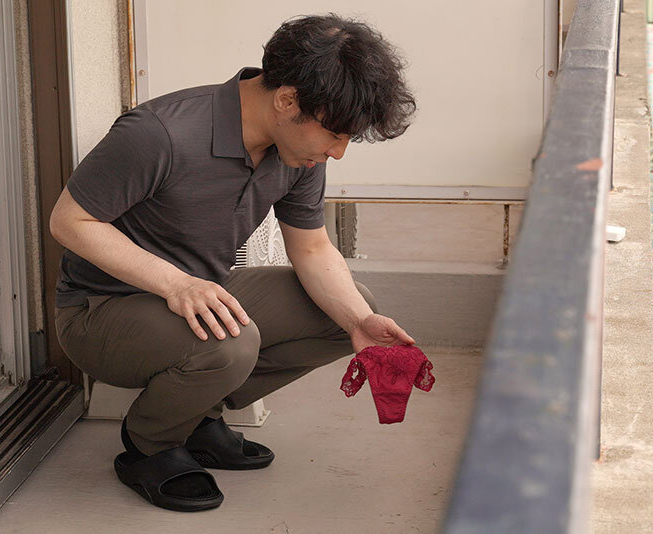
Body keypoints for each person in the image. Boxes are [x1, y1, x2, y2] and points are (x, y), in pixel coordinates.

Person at [49, 13, 417, 512]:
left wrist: (357, 322)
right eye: (336, 134)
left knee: (351, 310)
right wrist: (176, 284)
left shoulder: (296, 152)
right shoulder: (160, 132)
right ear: (287, 101)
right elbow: (69, 221)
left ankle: (196, 415)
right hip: (101, 310)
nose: (339, 152)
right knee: (230, 343)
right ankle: (148, 445)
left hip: (198, 294)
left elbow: (311, 248)